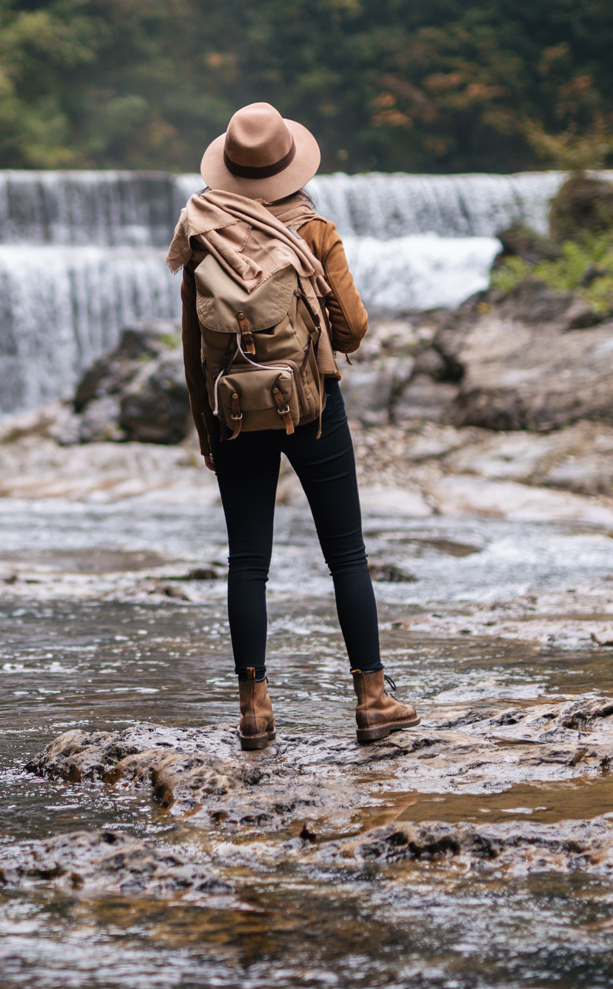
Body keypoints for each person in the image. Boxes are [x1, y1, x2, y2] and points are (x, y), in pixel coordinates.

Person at [168, 102, 420, 751]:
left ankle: (254, 708)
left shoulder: (201, 226)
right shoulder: (313, 229)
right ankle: (371, 697)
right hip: (309, 406)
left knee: (249, 561)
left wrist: (208, 427)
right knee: (346, 553)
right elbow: (354, 331)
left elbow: (195, 341)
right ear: (288, 163)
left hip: (232, 409)